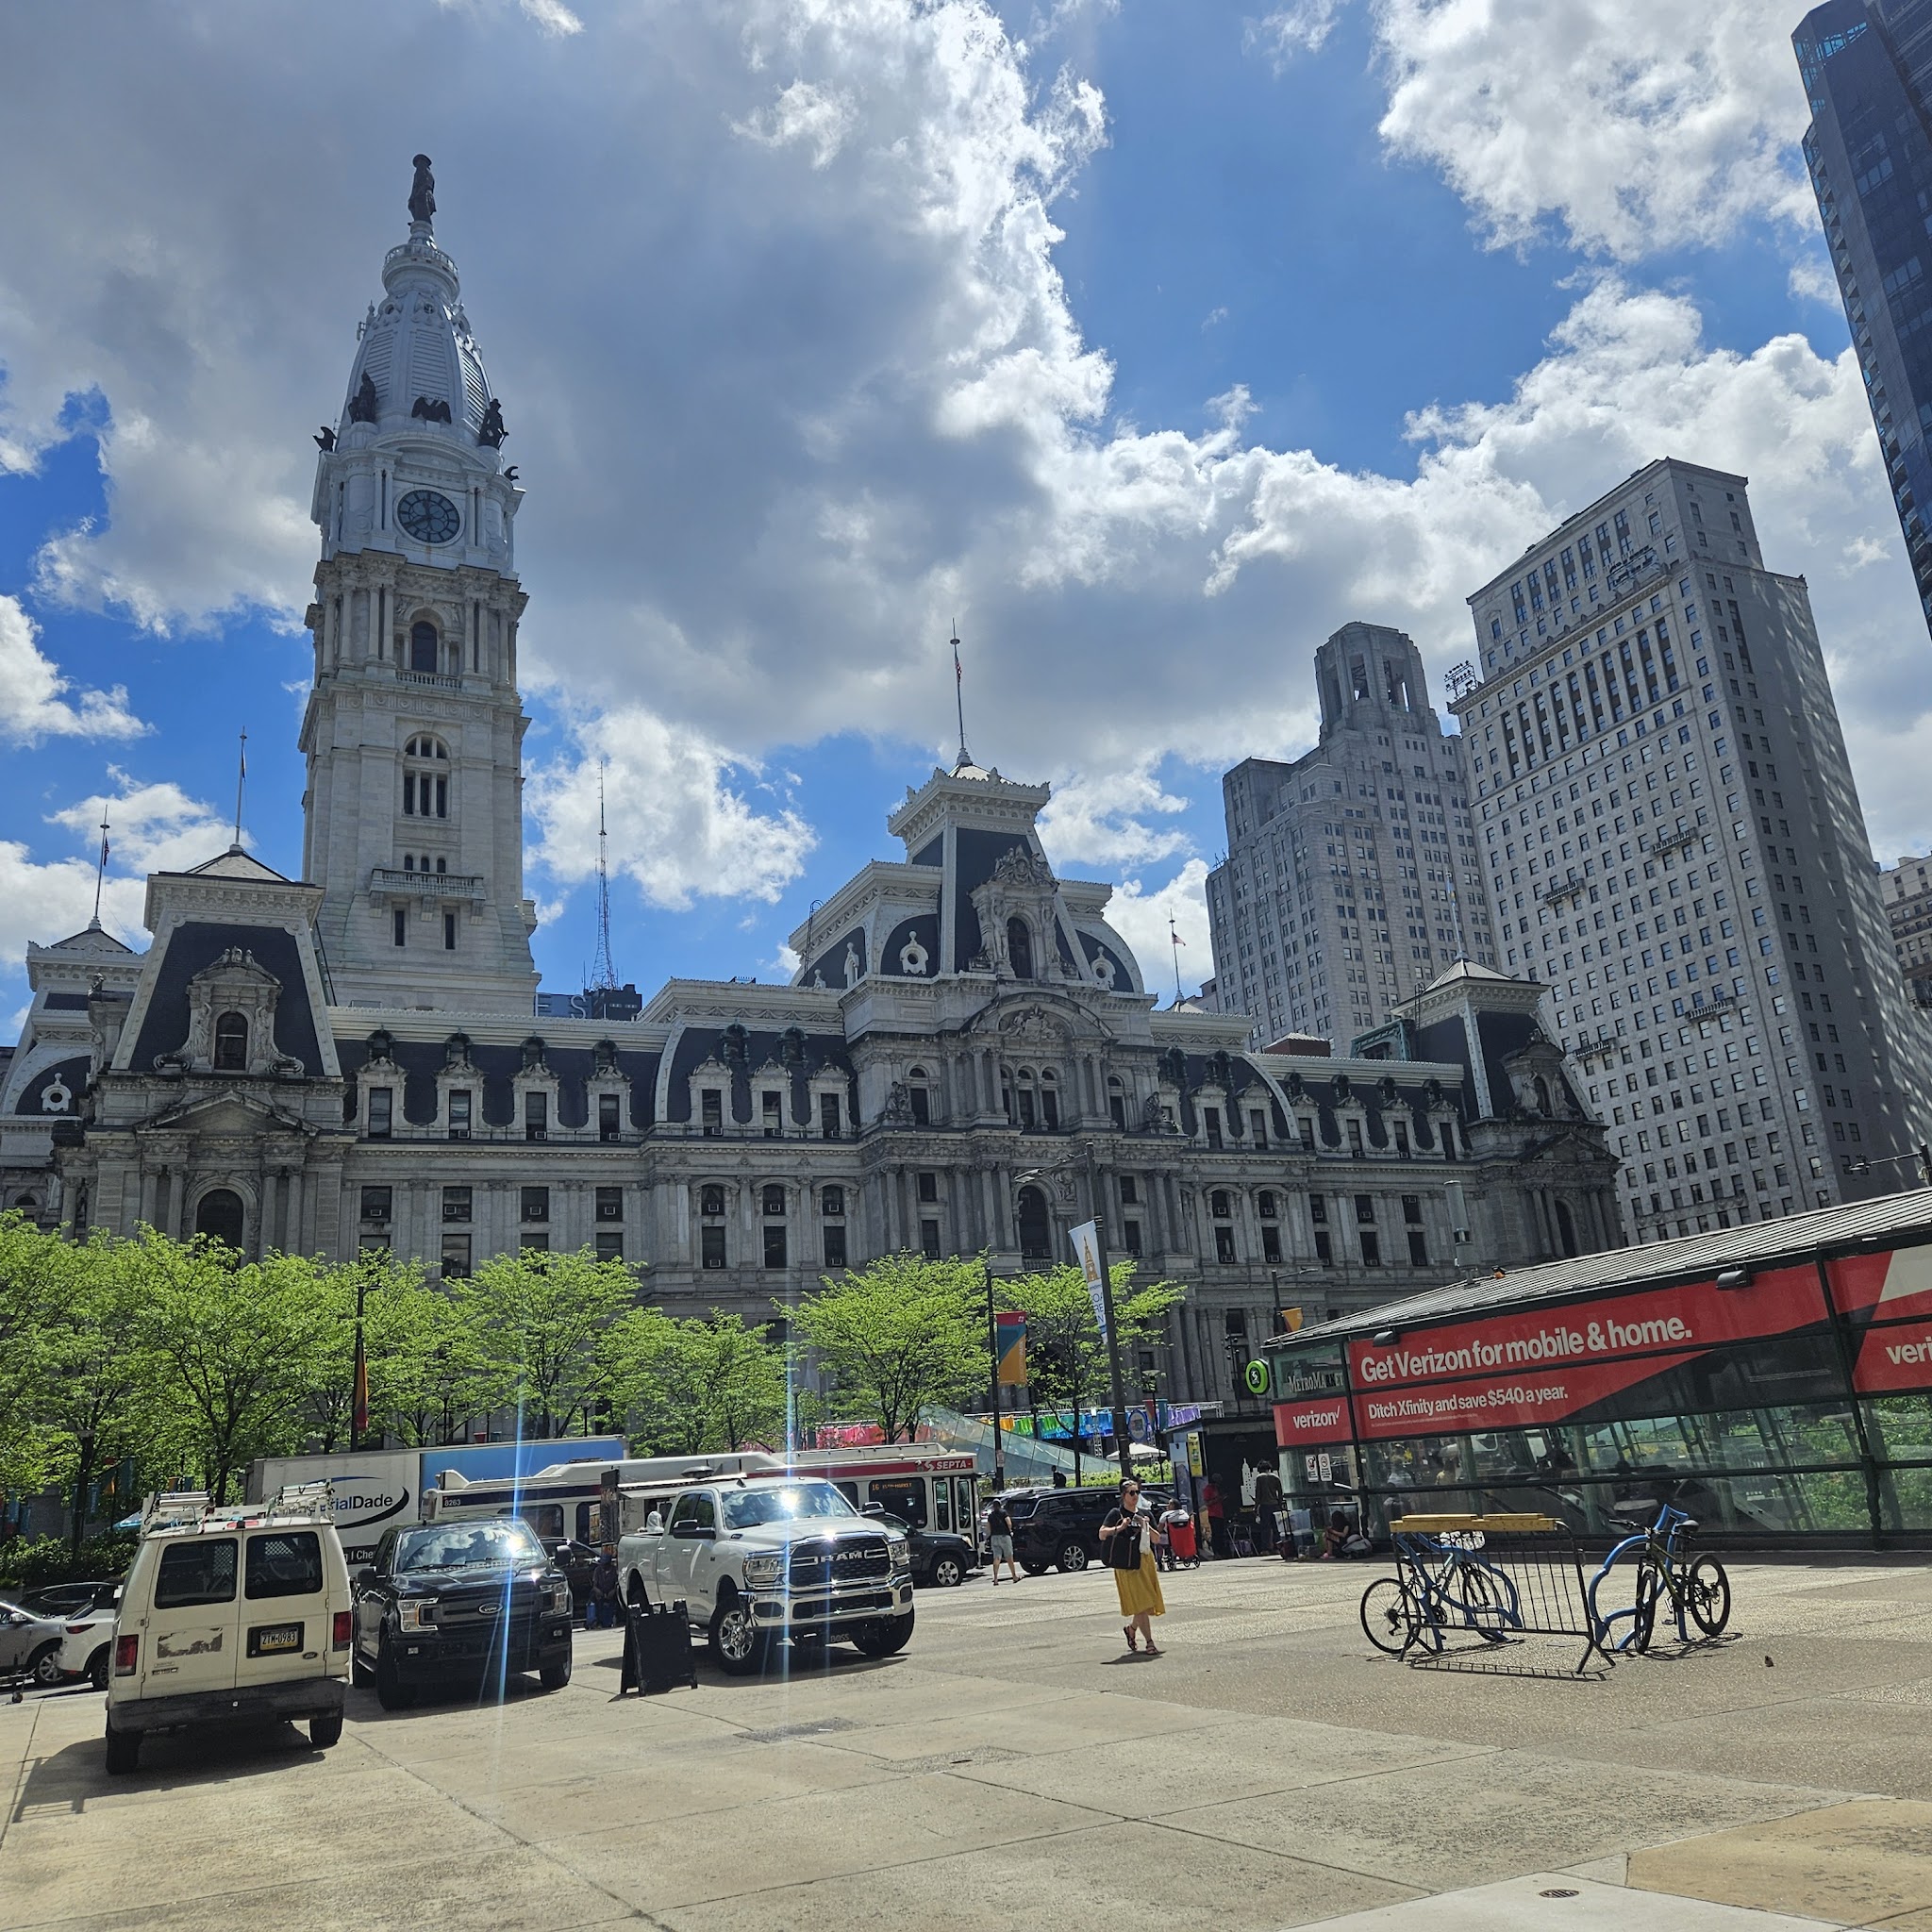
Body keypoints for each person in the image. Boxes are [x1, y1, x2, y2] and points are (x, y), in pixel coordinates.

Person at [1099, 1479, 1165, 1656]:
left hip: (1145, 1561)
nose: (1135, 1496)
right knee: (1141, 1604)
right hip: (1126, 1564)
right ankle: (1149, 1642)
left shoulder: (1145, 1514)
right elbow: (1102, 1534)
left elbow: (1156, 1539)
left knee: (1146, 1602)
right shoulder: (1116, 1513)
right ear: (1123, 1496)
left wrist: (1146, 1525)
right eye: (1132, 1493)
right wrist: (1120, 1528)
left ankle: (1131, 1629)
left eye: (1137, 1492)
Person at [985, 1494, 1020, 1585]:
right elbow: (1009, 1523)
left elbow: (988, 1527)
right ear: (1000, 1505)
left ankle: (996, 1578)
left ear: (993, 1506)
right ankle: (1014, 1576)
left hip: (994, 1537)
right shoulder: (1004, 1513)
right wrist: (1010, 1530)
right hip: (1004, 1536)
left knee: (997, 1557)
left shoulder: (991, 1516)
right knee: (1009, 1557)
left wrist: (990, 1535)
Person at [587, 1544, 622, 1628]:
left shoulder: (614, 1571)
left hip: (611, 1592)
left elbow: (617, 1583)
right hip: (600, 1592)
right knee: (594, 1598)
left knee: (617, 1599)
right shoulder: (598, 1570)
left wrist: (613, 1591)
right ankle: (596, 1621)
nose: (604, 1566)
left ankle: (618, 1619)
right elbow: (595, 1585)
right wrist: (598, 1591)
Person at [1158, 1499, 1196, 1569]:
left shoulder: (1166, 1514)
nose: (1167, 1506)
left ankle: (1160, 1561)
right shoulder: (1184, 1514)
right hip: (1185, 1538)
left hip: (1172, 1539)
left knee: (1158, 1541)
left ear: (1173, 1505)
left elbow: (1160, 1528)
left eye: (1169, 1504)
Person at [1202, 1477, 1229, 1558]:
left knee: (1221, 1534)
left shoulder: (1217, 1489)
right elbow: (1207, 1503)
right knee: (1216, 1534)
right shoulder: (1208, 1489)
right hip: (1213, 1514)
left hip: (1220, 1514)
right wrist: (1218, 1499)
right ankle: (1216, 1552)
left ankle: (1222, 1552)